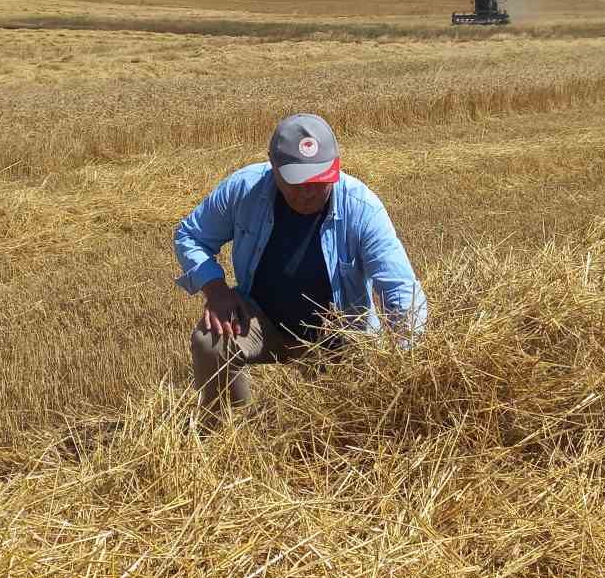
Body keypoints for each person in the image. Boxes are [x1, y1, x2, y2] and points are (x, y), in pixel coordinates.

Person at [175, 112, 427, 418]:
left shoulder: (362, 207)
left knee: (343, 427)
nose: (309, 191)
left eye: (320, 180)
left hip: (340, 335)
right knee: (210, 341)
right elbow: (190, 235)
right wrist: (216, 290)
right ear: (274, 167)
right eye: (298, 182)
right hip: (263, 319)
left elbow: (399, 287)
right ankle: (228, 435)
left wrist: (407, 360)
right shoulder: (244, 189)